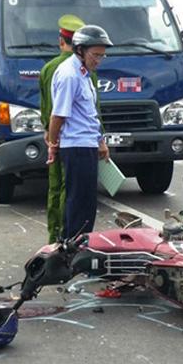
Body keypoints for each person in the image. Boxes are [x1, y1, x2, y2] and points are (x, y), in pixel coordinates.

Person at [47, 25, 112, 239]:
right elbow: (58, 115)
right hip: (75, 146)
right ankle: (72, 248)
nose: (98, 60)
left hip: (86, 144)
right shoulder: (69, 75)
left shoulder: (84, 74)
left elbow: (88, 114)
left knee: (87, 202)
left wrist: (100, 140)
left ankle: (81, 244)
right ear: (80, 50)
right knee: (78, 202)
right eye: (95, 55)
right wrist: (52, 143)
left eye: (102, 56)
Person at [39, 14, 86, 244]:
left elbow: (46, 109)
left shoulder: (49, 69)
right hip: (77, 141)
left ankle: (54, 237)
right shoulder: (84, 70)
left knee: (56, 188)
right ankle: (71, 238)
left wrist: (50, 136)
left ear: (61, 40)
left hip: (55, 137)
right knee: (74, 190)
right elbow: (92, 109)